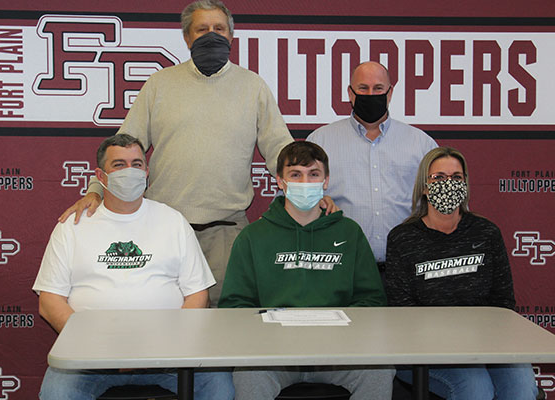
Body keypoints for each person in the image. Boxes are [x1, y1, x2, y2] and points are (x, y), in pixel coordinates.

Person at [58, 0, 294, 306]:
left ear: (231, 36)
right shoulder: (159, 84)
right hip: (163, 228)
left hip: (227, 231)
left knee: (224, 321)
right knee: (164, 314)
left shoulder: (253, 87)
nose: (212, 35)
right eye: (202, 29)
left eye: (219, 29)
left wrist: (307, 191)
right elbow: (125, 145)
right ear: (187, 37)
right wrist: (96, 191)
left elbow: (280, 148)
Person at [33, 134, 234, 400]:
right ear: (101, 176)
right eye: (119, 165)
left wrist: (165, 346)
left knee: (219, 388)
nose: (130, 171)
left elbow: (198, 294)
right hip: (89, 357)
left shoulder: (172, 221)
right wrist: (96, 347)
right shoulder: (72, 226)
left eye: (137, 164)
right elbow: (49, 301)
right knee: (56, 394)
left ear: (146, 172)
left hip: (169, 353)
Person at [218, 141, 394, 399]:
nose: (305, 182)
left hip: (340, 353)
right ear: (280, 181)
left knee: (379, 370)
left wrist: (334, 326)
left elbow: (372, 300)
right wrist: (273, 328)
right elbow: (234, 306)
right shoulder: (252, 237)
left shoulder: (349, 233)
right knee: (249, 373)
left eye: (313, 174)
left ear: (326, 181)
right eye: (295, 175)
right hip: (273, 355)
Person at [384, 146, 538, 400]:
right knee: (476, 390)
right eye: (439, 178)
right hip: (425, 352)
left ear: (465, 185)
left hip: (488, 345)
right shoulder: (403, 238)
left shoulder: (486, 232)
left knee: (521, 389)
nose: (449, 184)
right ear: (424, 186)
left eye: (456, 178)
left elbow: (503, 303)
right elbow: (402, 312)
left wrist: (482, 341)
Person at [308, 61, 437, 267]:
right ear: (350, 94)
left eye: (378, 88)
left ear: (390, 92)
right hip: (343, 266)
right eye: (363, 88)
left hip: (406, 267)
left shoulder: (421, 144)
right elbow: (300, 201)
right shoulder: (320, 141)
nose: (370, 94)